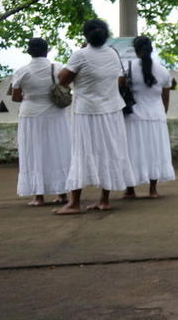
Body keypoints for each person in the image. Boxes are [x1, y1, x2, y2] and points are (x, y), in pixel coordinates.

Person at [55, 19, 135, 214]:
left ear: (86, 35)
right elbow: (120, 79)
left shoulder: (80, 55)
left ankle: (74, 203)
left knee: (81, 152)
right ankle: (104, 200)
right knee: (110, 151)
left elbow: (62, 79)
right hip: (112, 109)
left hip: (87, 111)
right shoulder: (113, 53)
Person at [10, 37, 71, 206]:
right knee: (58, 151)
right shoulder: (57, 68)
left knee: (35, 152)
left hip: (31, 115)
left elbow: (15, 97)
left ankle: (38, 195)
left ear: (29, 51)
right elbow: (67, 88)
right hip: (55, 114)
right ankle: (62, 193)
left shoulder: (22, 72)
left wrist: (33, 96)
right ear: (47, 51)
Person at [122, 35, 175, 199]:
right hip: (156, 116)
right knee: (155, 151)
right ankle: (153, 189)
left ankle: (130, 189)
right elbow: (165, 98)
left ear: (136, 51)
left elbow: (119, 88)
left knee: (132, 152)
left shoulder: (127, 67)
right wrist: (162, 114)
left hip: (134, 116)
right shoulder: (163, 70)